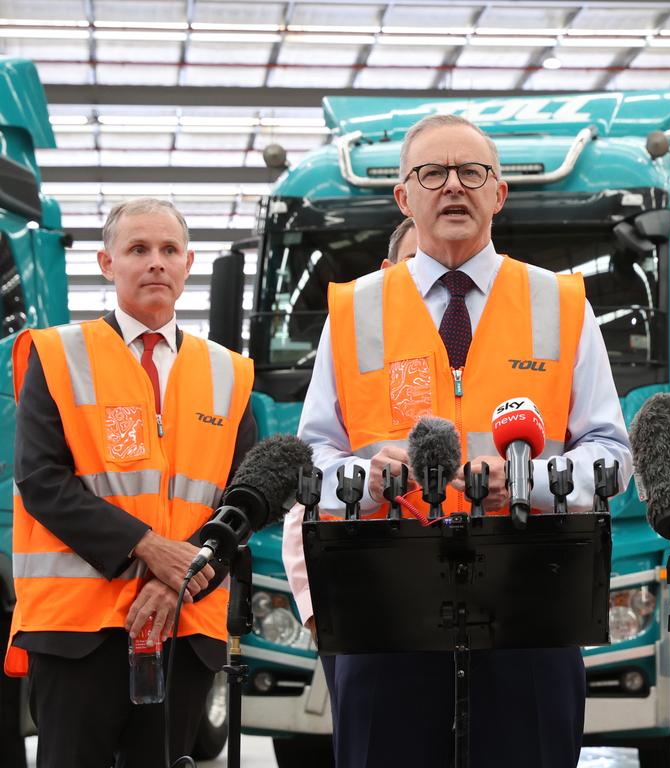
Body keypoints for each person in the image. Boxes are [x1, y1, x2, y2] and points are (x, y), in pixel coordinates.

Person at [294, 113, 632, 768]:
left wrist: (529, 480)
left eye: (472, 172)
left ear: (498, 193)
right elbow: (311, 459)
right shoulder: (354, 310)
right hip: (384, 606)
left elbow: (611, 455)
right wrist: (367, 482)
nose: (453, 186)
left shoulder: (560, 304)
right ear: (404, 197)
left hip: (530, 601)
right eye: (432, 173)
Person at [6, 198, 257, 768]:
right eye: (138, 250)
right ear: (106, 262)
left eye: (169, 250)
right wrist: (148, 548)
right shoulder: (57, 354)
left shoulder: (230, 374)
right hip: (78, 630)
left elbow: (243, 502)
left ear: (189, 263)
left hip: (183, 629)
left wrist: (179, 580)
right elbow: (42, 481)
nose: (155, 263)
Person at [282, 215, 419, 758]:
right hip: (368, 618)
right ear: (386, 271)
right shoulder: (353, 353)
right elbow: (305, 500)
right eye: (414, 263)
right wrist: (320, 617)